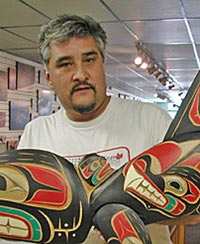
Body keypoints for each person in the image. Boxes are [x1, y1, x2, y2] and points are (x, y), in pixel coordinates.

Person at [16, 14, 173, 244]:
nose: (80, 74)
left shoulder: (151, 120)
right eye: (66, 64)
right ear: (49, 77)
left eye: (89, 60)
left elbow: (192, 207)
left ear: (102, 64)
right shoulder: (36, 133)